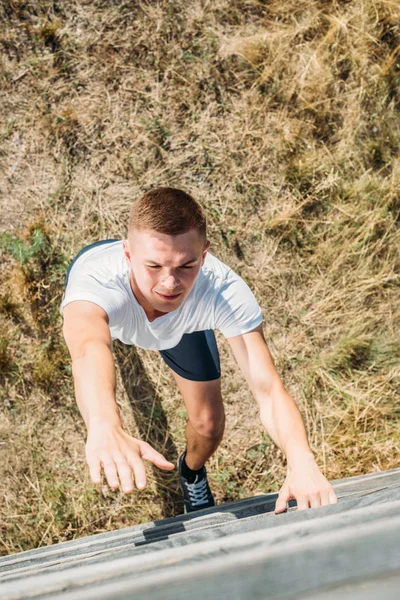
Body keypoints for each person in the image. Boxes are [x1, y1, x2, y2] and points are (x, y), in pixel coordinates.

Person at [61, 187, 337, 514]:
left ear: (204, 256)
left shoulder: (222, 292)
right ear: (127, 253)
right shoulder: (96, 282)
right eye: (154, 266)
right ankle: (120, 339)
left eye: (186, 266)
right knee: (103, 344)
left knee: (208, 424)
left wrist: (301, 458)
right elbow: (88, 347)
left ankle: (191, 474)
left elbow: (269, 391)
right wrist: (103, 423)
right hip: (112, 311)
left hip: (179, 330)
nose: (169, 284)